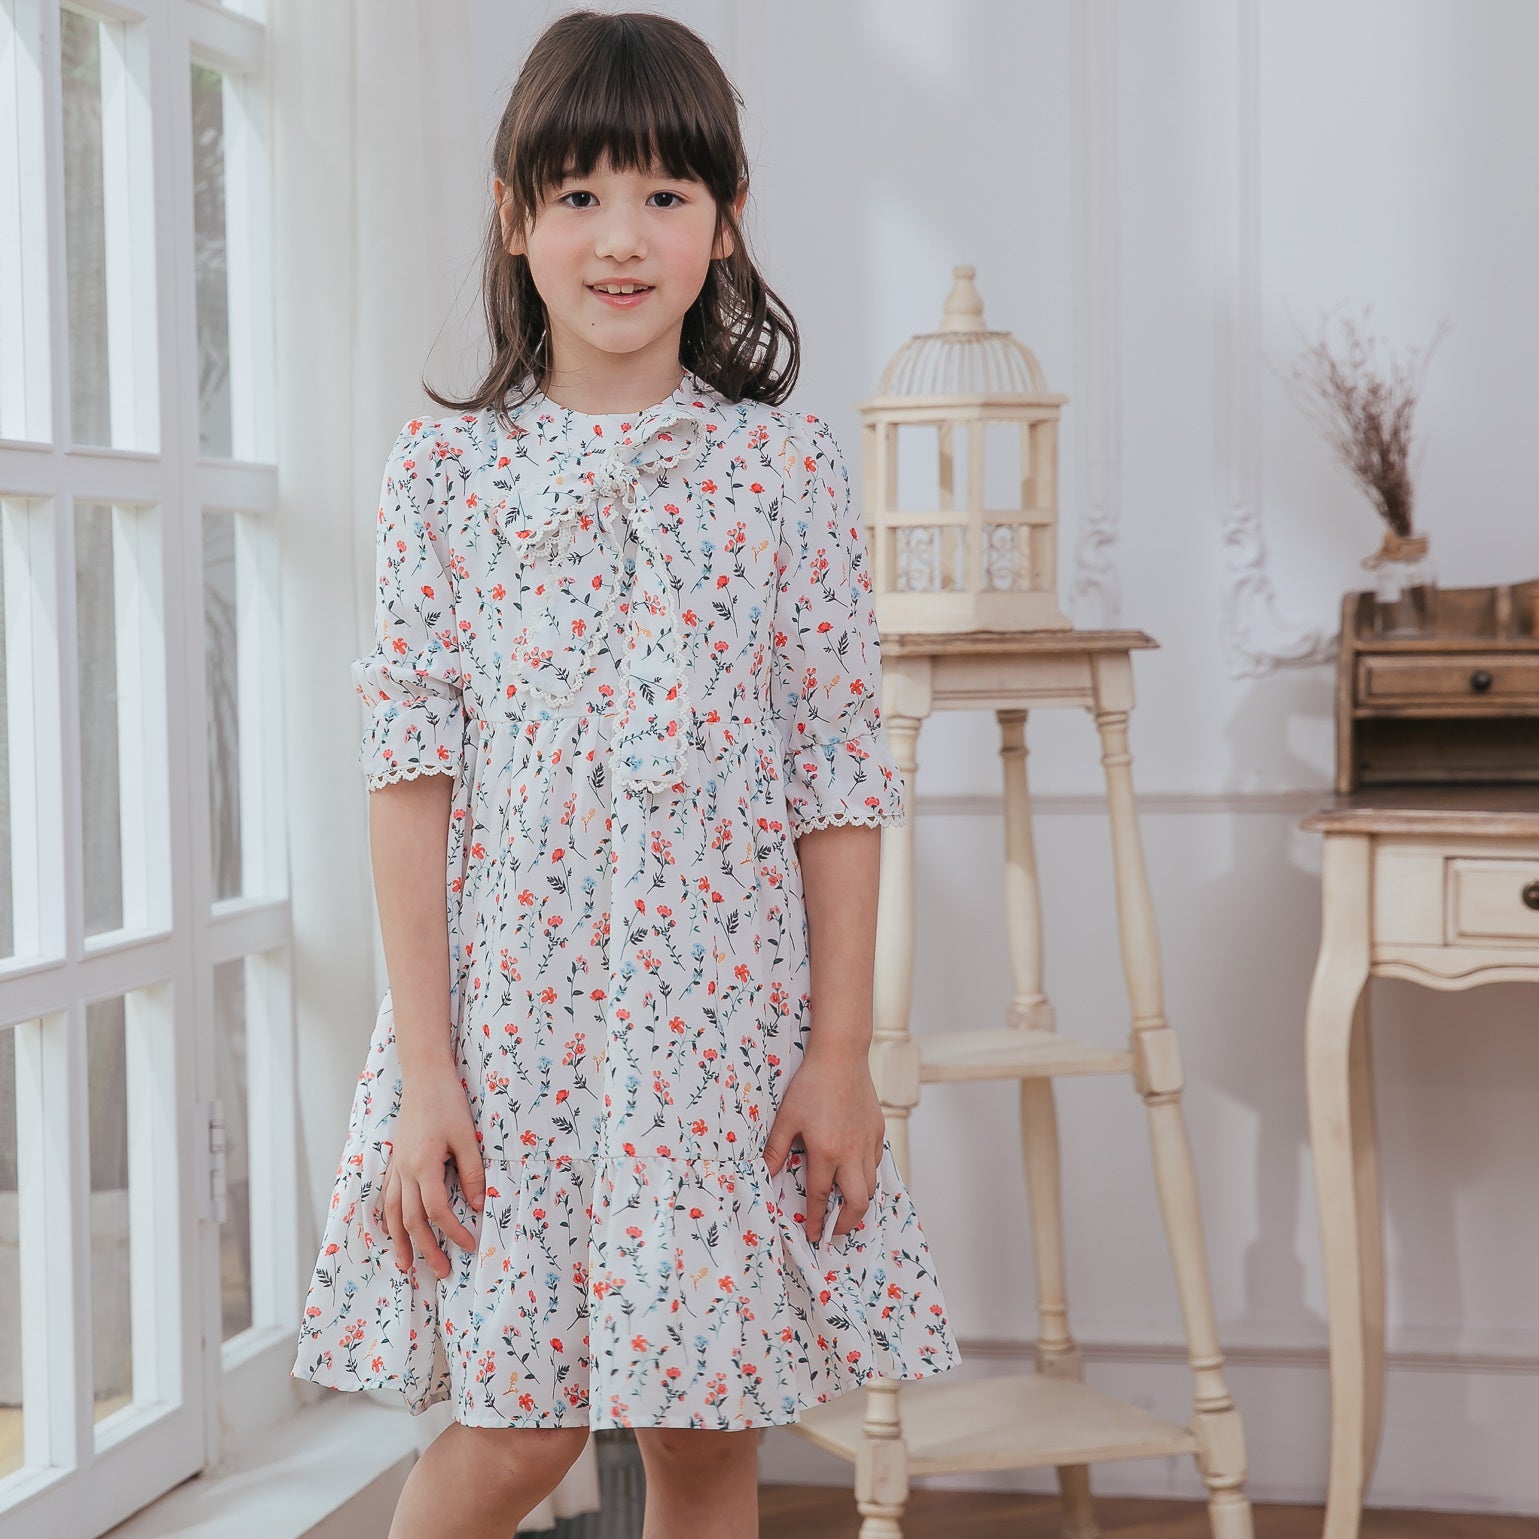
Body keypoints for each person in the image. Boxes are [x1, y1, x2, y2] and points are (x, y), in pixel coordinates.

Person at [291, 10, 961, 1536]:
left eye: (665, 194)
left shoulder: (784, 470)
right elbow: (407, 775)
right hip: (508, 1038)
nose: (620, 236)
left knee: (703, 1433)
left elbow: (836, 778)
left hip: (721, 1036)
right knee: (514, 1436)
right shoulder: (444, 475)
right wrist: (426, 1069)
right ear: (514, 217)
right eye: (579, 193)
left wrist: (840, 1054)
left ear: (725, 223)